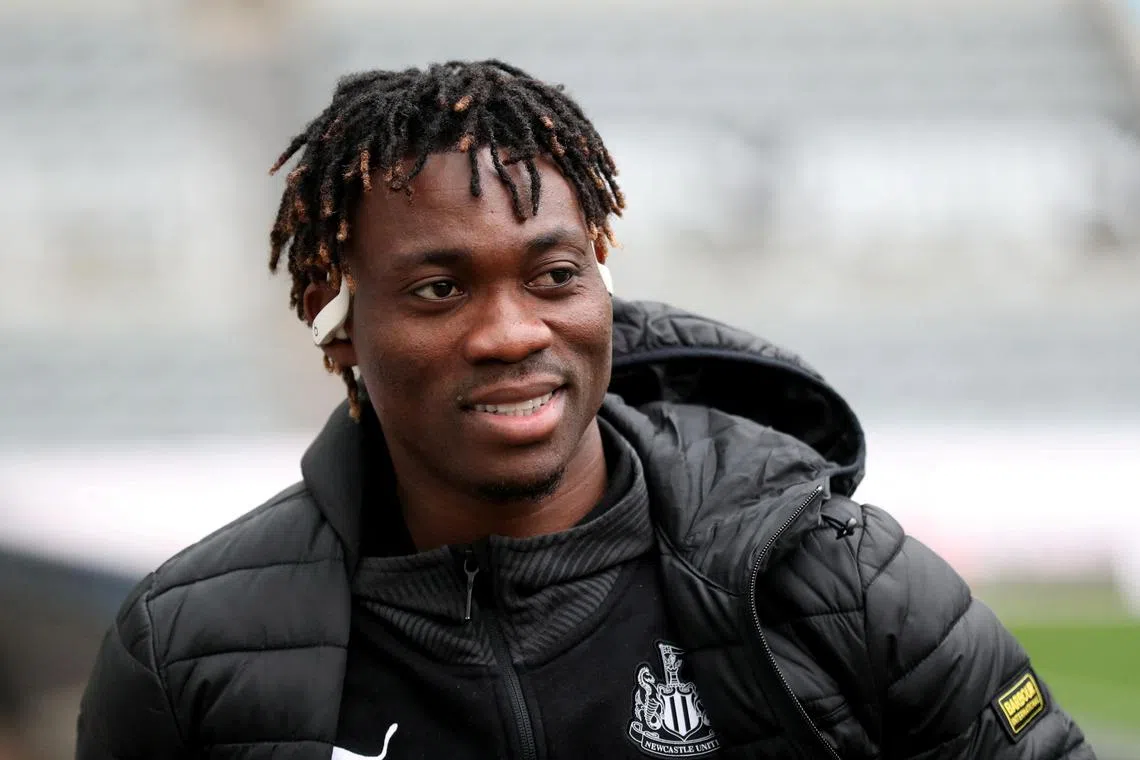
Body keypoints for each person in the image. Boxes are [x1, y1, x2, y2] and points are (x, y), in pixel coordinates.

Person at [76, 60, 1094, 759]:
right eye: (439, 289)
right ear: (337, 325)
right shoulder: (187, 651)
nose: (511, 332)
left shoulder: (848, 586)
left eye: (553, 275)